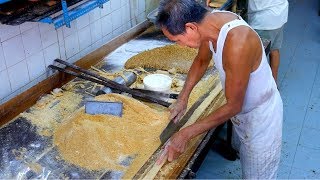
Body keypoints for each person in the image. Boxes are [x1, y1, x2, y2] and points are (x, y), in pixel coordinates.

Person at [155, 0, 283, 178]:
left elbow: (233, 106)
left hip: (260, 118)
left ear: (191, 28)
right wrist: (182, 98)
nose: (180, 45)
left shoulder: (238, 42)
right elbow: (200, 62)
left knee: (258, 175)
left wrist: (185, 134)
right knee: (243, 151)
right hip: (242, 113)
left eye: (177, 40)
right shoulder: (209, 26)